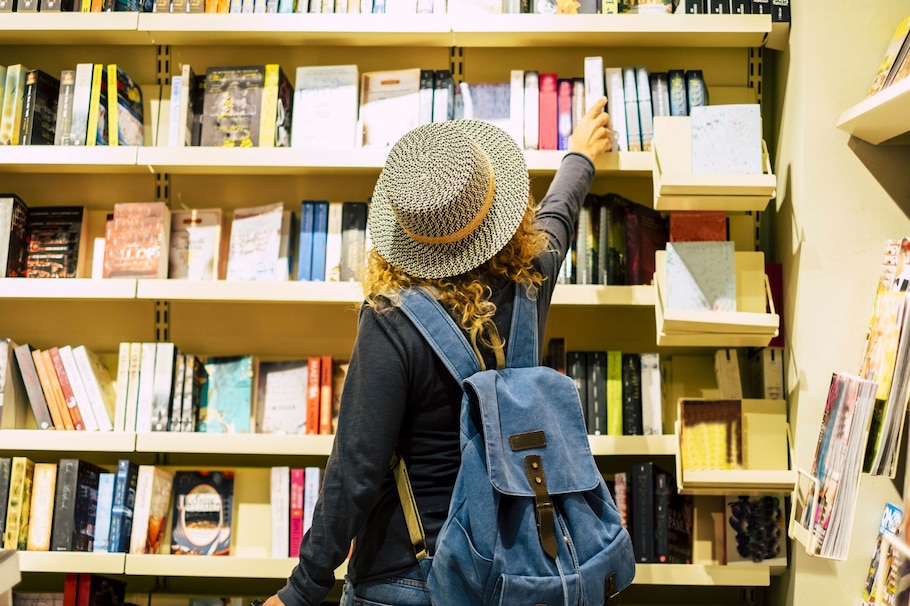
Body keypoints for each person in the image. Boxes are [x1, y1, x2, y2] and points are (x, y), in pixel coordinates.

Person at [264, 96, 613, 606]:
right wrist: (580, 156)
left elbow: (355, 471)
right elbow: (558, 215)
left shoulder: (391, 321)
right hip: (517, 575)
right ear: (501, 211)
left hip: (407, 578)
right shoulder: (531, 278)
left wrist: (304, 588)